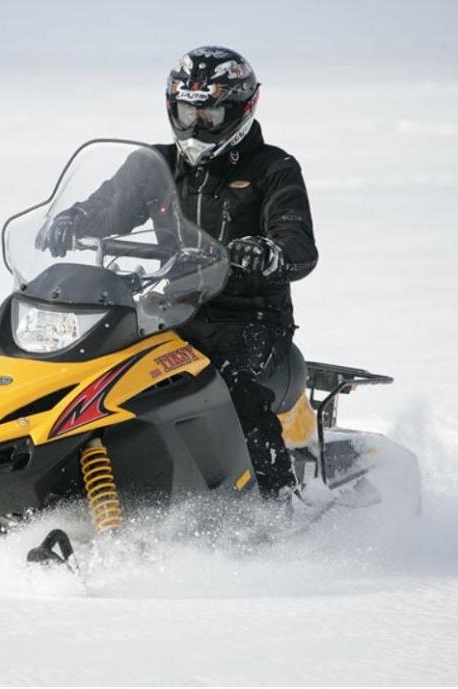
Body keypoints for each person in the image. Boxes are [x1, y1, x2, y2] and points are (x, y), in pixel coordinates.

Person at [36, 46, 318, 498]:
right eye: (187, 113)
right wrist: (75, 219)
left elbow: (298, 242)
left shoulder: (273, 169)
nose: (195, 126)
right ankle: (72, 481)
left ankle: (274, 504)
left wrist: (268, 251)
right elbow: (109, 207)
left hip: (248, 320)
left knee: (232, 385)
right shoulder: (157, 165)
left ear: (242, 109)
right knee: (93, 370)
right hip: (172, 308)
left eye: (209, 115)